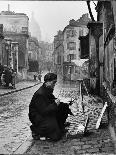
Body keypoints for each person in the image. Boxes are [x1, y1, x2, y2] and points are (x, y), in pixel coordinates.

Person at [28, 72, 73, 141]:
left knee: (64, 106)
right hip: (38, 117)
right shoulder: (40, 94)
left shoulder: (47, 89)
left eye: (55, 82)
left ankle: (60, 125)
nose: (54, 85)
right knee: (56, 136)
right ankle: (36, 130)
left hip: (46, 114)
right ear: (47, 82)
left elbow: (51, 100)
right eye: (53, 82)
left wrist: (64, 102)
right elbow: (43, 111)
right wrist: (55, 104)